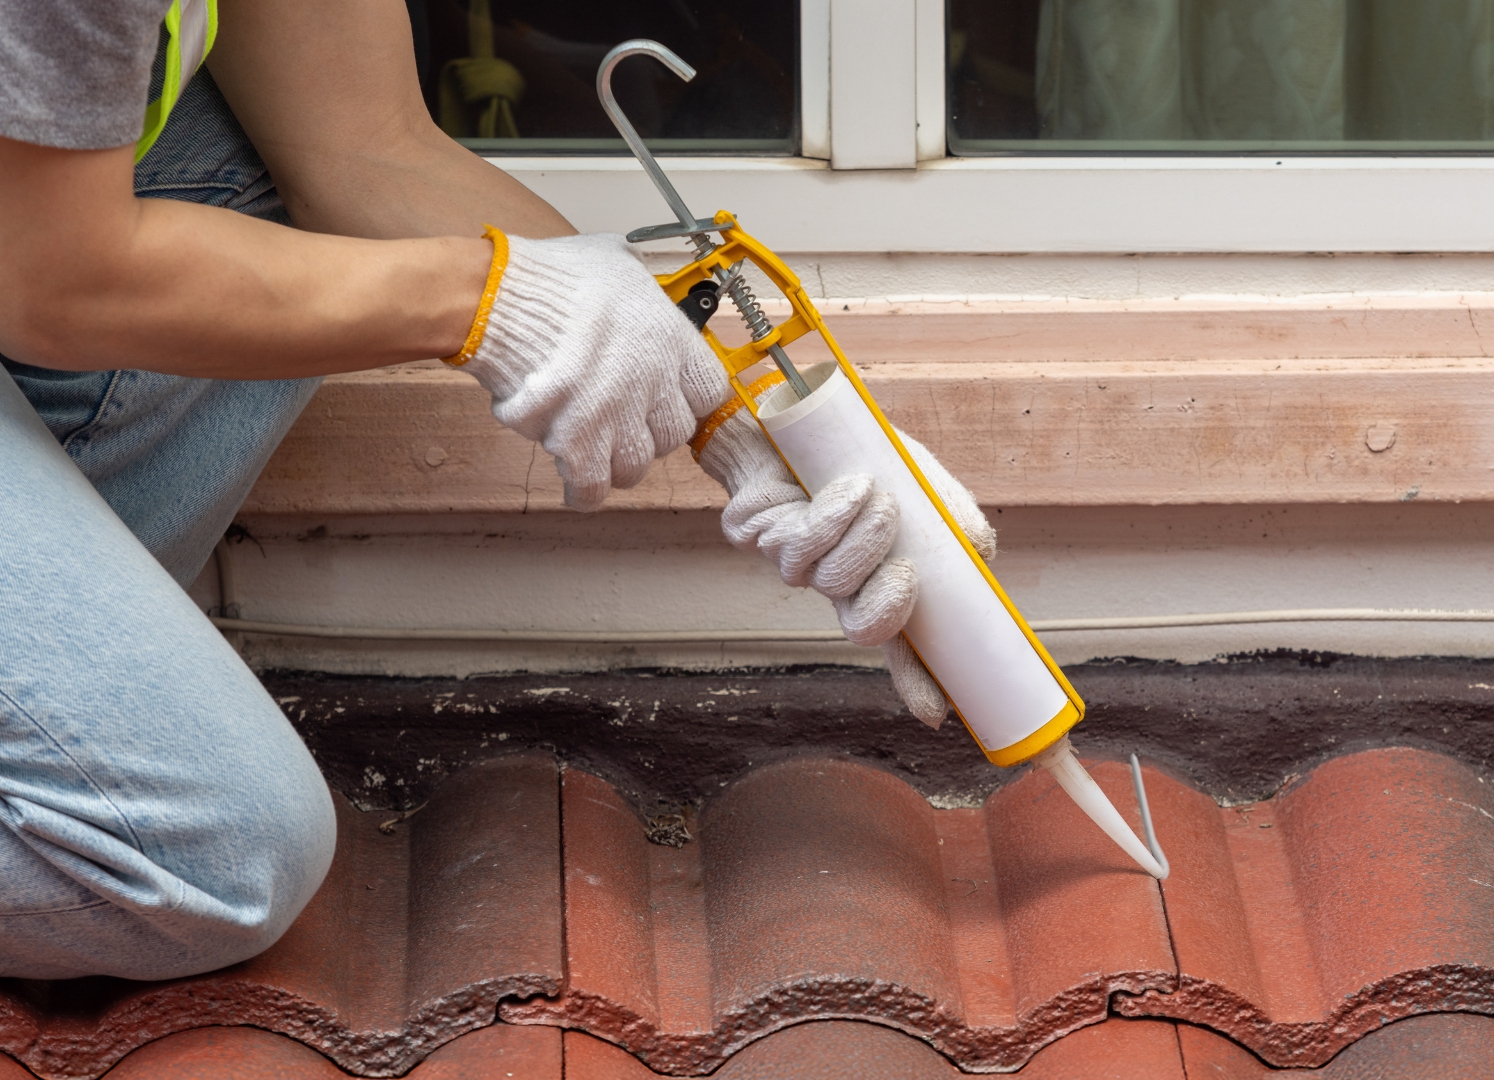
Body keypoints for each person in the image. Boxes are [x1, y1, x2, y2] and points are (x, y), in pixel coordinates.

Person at [0, 0, 977, 981]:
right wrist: (489, 298)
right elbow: (58, 273)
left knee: (244, 167)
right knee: (211, 852)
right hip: (41, 271)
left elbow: (361, 144)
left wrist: (750, 425)